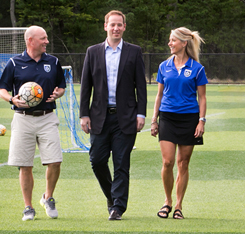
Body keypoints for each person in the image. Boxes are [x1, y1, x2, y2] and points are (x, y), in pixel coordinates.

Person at [80, 10, 147, 221]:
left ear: (124, 27)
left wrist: (141, 114)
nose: (116, 28)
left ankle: (118, 207)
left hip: (125, 118)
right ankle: (112, 196)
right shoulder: (92, 52)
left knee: (121, 163)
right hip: (99, 116)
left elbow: (141, 87)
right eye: (112, 25)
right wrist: (84, 114)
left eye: (119, 25)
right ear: (105, 26)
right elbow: (85, 86)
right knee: (97, 161)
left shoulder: (134, 52)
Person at [0, 25, 66, 221]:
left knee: (55, 161)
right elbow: (1, 89)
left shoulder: (53, 61)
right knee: (24, 165)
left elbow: (62, 86)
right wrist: (11, 99)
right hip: (22, 118)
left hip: (47, 117)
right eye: (43, 38)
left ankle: (48, 197)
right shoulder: (14, 62)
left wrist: (58, 93)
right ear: (30, 41)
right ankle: (28, 207)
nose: (47, 41)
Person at [151, 27, 208, 219]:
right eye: (169, 40)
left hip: (189, 119)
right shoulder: (163, 66)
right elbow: (159, 96)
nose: (169, 43)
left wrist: (201, 121)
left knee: (183, 163)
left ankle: (178, 205)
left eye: (173, 40)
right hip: (167, 117)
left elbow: (202, 97)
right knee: (167, 162)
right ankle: (167, 202)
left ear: (184, 43)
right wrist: (154, 120)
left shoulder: (197, 68)